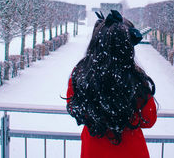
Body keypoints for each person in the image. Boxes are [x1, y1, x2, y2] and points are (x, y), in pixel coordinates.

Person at [66, 10, 157, 158]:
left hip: (93, 150)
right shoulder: (135, 79)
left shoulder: (81, 73)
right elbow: (149, 119)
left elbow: (74, 107)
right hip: (131, 151)